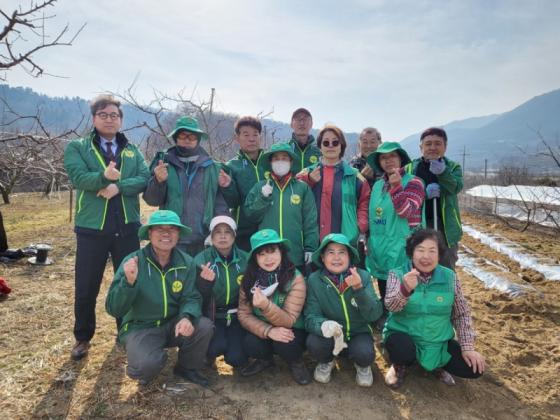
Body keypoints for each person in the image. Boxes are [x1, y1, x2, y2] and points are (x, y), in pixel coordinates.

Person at [63, 94, 150, 361]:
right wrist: (103, 176)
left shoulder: (132, 150)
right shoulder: (78, 147)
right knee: (87, 284)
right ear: (94, 118)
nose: (109, 119)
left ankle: (124, 330)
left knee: (127, 279)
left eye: (114, 115)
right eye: (104, 114)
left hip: (127, 227)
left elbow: (143, 179)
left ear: (121, 120)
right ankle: (82, 336)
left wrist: (118, 187)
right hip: (92, 228)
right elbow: (78, 177)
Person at [105, 210, 214, 386]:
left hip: (173, 324)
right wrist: (129, 283)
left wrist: (186, 317)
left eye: (172, 229)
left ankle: (186, 367)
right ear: (149, 233)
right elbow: (113, 309)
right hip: (141, 326)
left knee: (204, 326)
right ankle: (150, 358)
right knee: (145, 366)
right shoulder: (133, 262)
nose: (166, 233)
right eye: (159, 229)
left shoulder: (186, 262)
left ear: (178, 234)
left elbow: (191, 297)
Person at [383, 229, 485, 388]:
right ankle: (399, 366)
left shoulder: (450, 277)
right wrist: (405, 289)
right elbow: (391, 306)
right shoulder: (397, 274)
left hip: (437, 341)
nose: (426, 257)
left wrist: (467, 348)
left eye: (432, 251)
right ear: (411, 253)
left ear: (439, 255)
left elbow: (461, 313)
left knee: (473, 369)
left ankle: (436, 363)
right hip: (405, 336)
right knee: (401, 348)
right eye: (420, 250)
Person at [305, 233, 383, 386]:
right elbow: (310, 316)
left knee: (365, 354)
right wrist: (324, 325)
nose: (336, 258)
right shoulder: (314, 280)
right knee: (314, 343)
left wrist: (359, 288)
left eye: (342, 252)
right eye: (330, 252)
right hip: (331, 336)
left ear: (350, 256)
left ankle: (361, 366)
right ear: (322, 257)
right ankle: (327, 361)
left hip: (358, 332)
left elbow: (374, 314)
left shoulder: (363, 276)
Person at [143, 116, 229, 256]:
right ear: (176, 138)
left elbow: (220, 205)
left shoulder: (212, 167)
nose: (187, 139)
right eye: (183, 135)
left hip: (204, 240)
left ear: (198, 139)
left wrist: (218, 231)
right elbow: (152, 200)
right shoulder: (162, 164)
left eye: (192, 136)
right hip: (171, 238)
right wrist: (158, 181)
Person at [237, 229, 311, 385]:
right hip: (265, 327)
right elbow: (244, 315)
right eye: (261, 254)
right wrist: (268, 331)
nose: (268, 258)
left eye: (272, 252)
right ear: (255, 258)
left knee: (286, 343)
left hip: (292, 328)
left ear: (281, 252)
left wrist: (266, 306)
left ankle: (296, 362)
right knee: (250, 343)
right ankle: (265, 360)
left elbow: (290, 320)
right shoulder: (249, 279)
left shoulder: (295, 277)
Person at [365, 142, 425, 309]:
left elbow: (405, 211)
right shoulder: (377, 186)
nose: (388, 160)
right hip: (381, 248)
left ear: (401, 159)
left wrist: (396, 187)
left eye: (392, 156)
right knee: (385, 289)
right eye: (383, 158)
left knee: (405, 292)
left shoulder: (414, 182)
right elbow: (374, 217)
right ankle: (388, 322)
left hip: (403, 249)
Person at [244, 143, 319, 272]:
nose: (280, 162)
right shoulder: (260, 187)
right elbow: (250, 215)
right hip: (267, 257)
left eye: (284, 158)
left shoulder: (302, 188)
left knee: (296, 290)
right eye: (276, 158)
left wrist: (310, 247)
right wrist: (263, 198)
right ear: (270, 162)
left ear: (291, 161)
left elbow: (310, 221)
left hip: (295, 255)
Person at [297, 124, 370, 248]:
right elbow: (292, 197)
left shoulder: (354, 176)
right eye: (326, 143)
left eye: (335, 142)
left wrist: (359, 226)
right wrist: (309, 181)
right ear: (320, 147)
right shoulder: (306, 174)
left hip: (346, 243)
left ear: (341, 146)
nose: (330, 145)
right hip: (311, 244)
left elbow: (365, 202)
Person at [194, 216, 249, 369]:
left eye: (227, 232)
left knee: (237, 358)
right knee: (215, 347)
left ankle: (236, 349)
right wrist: (205, 284)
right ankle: (209, 354)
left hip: (237, 315)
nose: (223, 236)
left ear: (234, 235)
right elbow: (195, 295)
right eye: (218, 232)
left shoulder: (246, 259)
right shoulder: (202, 260)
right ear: (211, 236)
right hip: (213, 315)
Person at [404, 127, 463, 269]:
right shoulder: (410, 168)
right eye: (428, 144)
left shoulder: (452, 167)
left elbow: (455, 187)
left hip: (444, 226)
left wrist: (443, 173)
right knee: (418, 266)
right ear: (421, 147)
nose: (433, 147)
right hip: (417, 225)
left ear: (445, 146)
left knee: (444, 266)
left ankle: (444, 291)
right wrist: (423, 193)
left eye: (438, 143)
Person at [218, 116, 267, 251]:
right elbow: (232, 202)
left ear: (260, 137)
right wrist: (227, 186)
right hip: (243, 232)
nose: (251, 139)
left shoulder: (270, 162)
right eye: (246, 135)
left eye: (255, 134)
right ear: (237, 138)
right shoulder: (232, 166)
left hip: (270, 229)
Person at [286, 108, 321, 173]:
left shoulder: (320, 151)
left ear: (311, 124)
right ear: (291, 124)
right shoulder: (285, 149)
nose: (302, 123)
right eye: (298, 119)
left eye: (305, 119)